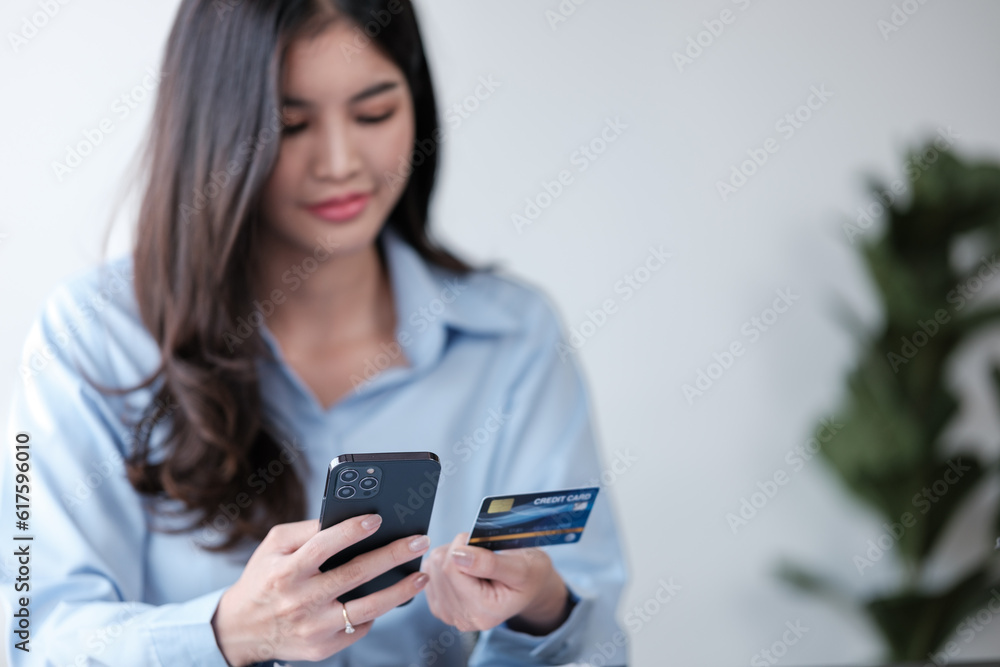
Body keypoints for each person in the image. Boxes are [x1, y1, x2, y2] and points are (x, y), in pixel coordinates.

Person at [0, 1, 629, 665]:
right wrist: (227, 632)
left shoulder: (513, 338)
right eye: (289, 124)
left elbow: (599, 640)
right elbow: (30, 638)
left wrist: (540, 612)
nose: (339, 161)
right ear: (215, 131)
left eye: (375, 113)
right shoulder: (94, 334)